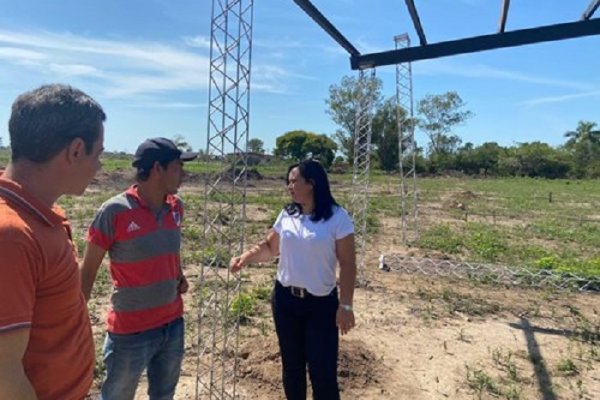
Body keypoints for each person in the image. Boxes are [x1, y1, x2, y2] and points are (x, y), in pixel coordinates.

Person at [0, 84, 106, 399]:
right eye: (97, 154)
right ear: (75, 150)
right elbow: (4, 376)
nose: (99, 166)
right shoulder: (12, 237)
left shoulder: (40, 214)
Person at [80, 137, 197, 400]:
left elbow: (169, 248)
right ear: (158, 169)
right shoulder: (114, 211)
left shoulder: (176, 207)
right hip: (130, 332)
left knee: (164, 395)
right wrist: (75, 323)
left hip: (172, 325)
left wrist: (177, 275)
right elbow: (88, 272)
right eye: (178, 168)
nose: (184, 175)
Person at [230, 159, 357, 400]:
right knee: (292, 368)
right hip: (286, 301)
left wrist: (346, 305)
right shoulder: (287, 214)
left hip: (320, 305)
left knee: (323, 372)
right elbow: (270, 247)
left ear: (311, 183)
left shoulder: (337, 218)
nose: (289, 186)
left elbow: (348, 263)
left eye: (294, 181)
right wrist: (246, 257)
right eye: (288, 182)